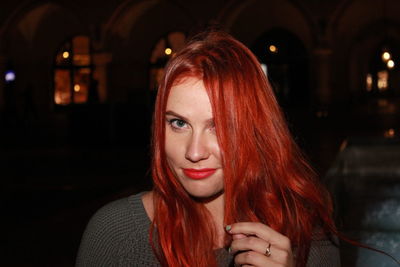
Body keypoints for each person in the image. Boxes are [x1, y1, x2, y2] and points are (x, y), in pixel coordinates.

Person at [76, 31, 340, 267]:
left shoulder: (306, 227)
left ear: (256, 129)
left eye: (219, 126)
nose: (194, 152)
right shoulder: (114, 232)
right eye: (178, 123)